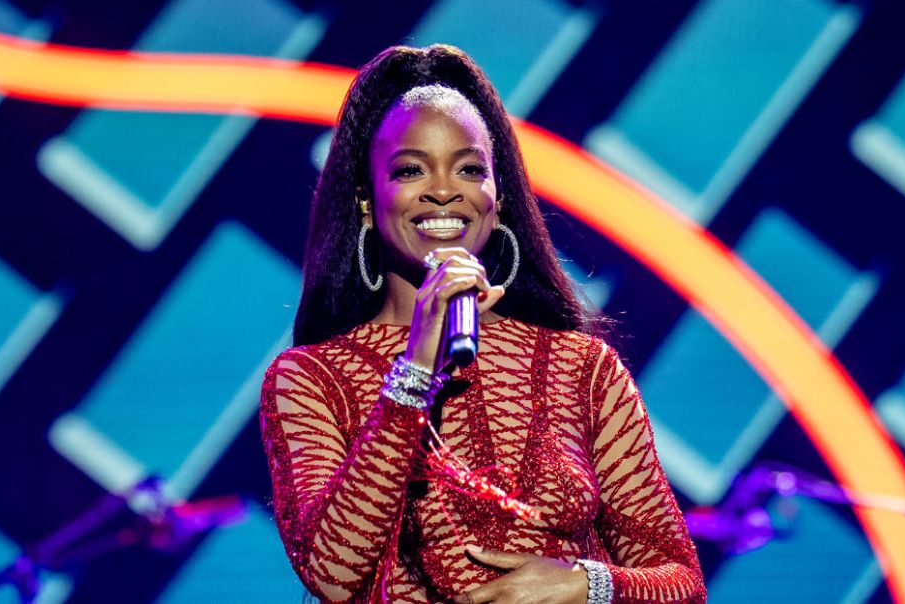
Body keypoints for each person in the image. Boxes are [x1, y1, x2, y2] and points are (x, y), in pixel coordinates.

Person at [259, 44, 706, 603]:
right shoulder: (311, 380)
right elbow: (332, 575)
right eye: (410, 169)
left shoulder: (581, 368)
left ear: (496, 200)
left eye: (469, 169)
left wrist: (583, 586)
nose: (445, 190)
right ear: (368, 202)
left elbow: (682, 582)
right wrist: (416, 365)